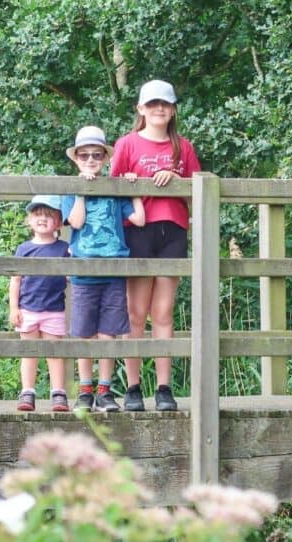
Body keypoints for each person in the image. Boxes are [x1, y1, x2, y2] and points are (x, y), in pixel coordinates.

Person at [110, 79, 202, 411]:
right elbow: (111, 188)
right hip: (137, 230)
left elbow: (199, 189)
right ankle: (133, 388)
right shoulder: (127, 144)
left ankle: (164, 388)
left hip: (173, 230)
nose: (159, 109)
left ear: (174, 108)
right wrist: (129, 183)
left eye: (165, 103)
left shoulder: (183, 146)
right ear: (141, 109)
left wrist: (178, 181)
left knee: (162, 313)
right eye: (152, 104)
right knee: (136, 313)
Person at [61, 126, 145, 412]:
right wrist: (83, 192)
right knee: (84, 333)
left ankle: (105, 391)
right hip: (84, 273)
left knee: (109, 333)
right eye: (84, 155)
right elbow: (75, 223)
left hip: (113, 272)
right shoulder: (72, 190)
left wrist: (133, 189)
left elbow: (140, 219)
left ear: (105, 158)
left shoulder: (115, 187)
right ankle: (85, 391)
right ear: (76, 159)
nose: (90, 160)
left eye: (97, 154)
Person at [9, 195, 70, 412]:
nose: (42, 219)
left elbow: (72, 276)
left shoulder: (64, 249)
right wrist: (14, 308)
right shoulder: (23, 248)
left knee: (54, 352)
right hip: (28, 309)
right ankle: (27, 392)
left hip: (54, 309)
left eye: (48, 215)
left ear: (59, 222)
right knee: (29, 352)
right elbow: (15, 280)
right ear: (29, 220)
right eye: (37, 215)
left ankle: (59, 393)